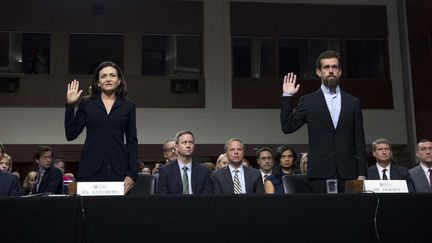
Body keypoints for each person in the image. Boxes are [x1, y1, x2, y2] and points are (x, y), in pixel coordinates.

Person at [280, 50, 367, 192]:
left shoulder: (353, 102)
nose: (331, 71)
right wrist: (287, 95)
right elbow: (287, 126)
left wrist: (362, 173)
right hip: (319, 174)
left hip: (349, 174)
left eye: (334, 67)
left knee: (351, 213)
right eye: (326, 67)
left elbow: (359, 140)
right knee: (323, 214)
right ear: (318, 72)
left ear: (340, 71)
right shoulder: (308, 101)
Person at [65, 61, 138, 194]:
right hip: (90, 169)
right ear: (98, 82)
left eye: (112, 75)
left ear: (119, 80)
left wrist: (132, 174)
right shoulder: (87, 103)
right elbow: (71, 134)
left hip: (119, 171)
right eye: (103, 76)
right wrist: (70, 105)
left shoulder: (128, 105)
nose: (108, 79)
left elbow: (132, 141)